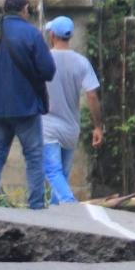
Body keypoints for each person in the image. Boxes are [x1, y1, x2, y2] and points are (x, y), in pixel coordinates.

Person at [0, 0, 56, 209]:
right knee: (33, 156)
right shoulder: (31, 33)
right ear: (24, 9)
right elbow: (48, 70)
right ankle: (36, 204)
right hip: (24, 107)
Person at [40, 16, 103, 204]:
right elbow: (92, 96)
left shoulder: (43, 59)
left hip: (47, 126)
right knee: (62, 176)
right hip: (70, 128)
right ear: (70, 36)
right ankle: (57, 213)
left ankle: (70, 203)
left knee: (53, 172)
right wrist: (97, 127)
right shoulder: (81, 62)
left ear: (52, 35)